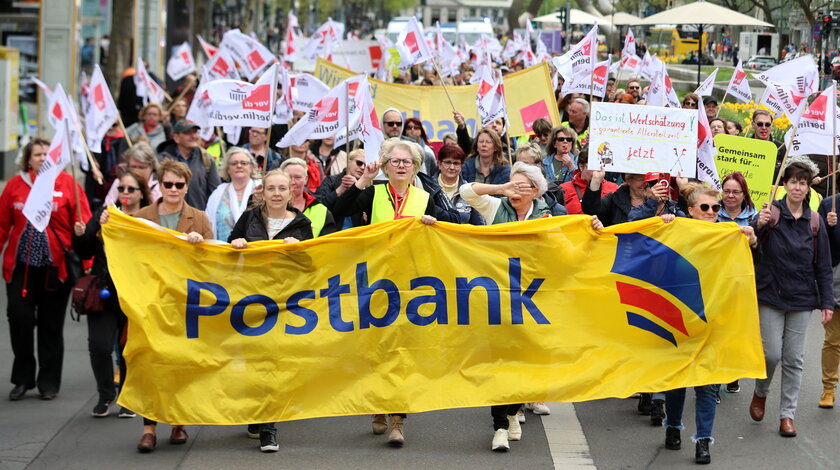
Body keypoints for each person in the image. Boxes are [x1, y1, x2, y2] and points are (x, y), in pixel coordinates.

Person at [459, 162, 603, 451]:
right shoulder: (495, 207)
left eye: (522, 186)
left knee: (523, 364)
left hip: (531, 302)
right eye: (513, 184)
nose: (515, 190)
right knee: (499, 363)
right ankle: (499, 426)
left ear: (536, 192)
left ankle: (513, 412)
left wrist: (593, 236)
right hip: (496, 297)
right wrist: (501, 187)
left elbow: (570, 258)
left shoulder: (548, 216)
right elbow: (466, 192)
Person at [331, 138, 438, 447]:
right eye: (395, 161)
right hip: (376, 283)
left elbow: (446, 232)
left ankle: (397, 419)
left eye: (407, 162)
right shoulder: (374, 193)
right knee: (376, 348)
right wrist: (364, 179)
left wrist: (435, 224)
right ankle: (378, 402)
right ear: (386, 167)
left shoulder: (425, 197)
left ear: (416, 167)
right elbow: (340, 209)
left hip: (411, 286)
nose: (401, 166)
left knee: (402, 352)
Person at [655, 182, 756, 464]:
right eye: (705, 207)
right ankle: (673, 426)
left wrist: (752, 239)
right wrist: (661, 224)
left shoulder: (728, 235)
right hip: (680, 321)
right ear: (691, 210)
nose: (712, 212)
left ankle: (703, 441)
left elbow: (752, 263)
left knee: (707, 385)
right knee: (677, 381)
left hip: (714, 321)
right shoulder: (675, 232)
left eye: (716, 207)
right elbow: (652, 259)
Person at [228, 169, 314, 453]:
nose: (277, 193)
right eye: (271, 188)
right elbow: (228, 249)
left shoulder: (302, 223)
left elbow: (312, 266)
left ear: (291, 192)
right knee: (254, 359)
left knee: (273, 360)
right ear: (262, 192)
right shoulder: (249, 218)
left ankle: (269, 427)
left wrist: (299, 249)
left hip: (283, 301)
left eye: (282, 188)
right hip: (251, 299)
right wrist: (236, 245)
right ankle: (258, 411)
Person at [0, 139, 92, 401]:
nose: (42, 158)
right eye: (37, 154)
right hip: (21, 267)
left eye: (46, 154)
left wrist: (87, 265)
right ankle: (22, 379)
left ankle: (48, 382)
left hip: (56, 269)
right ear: (27, 159)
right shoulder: (15, 187)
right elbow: (2, 224)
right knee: (19, 319)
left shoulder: (67, 184)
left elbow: (84, 226)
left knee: (51, 326)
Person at [132, 159, 213, 453]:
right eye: (168, 184)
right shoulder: (142, 217)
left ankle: (178, 421)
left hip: (185, 303)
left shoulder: (200, 219)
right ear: (159, 185)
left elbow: (213, 264)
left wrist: (198, 247)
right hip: (151, 301)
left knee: (181, 363)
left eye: (179, 185)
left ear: (187, 186)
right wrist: (105, 222)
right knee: (151, 364)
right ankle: (149, 428)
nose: (174, 190)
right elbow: (128, 251)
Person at [750, 160, 834, 438]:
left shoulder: (814, 220)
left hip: (801, 297)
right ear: (784, 184)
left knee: (794, 359)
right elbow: (749, 247)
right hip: (770, 294)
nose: (798, 187)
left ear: (808, 188)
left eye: (803, 182)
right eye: (793, 181)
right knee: (771, 353)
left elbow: (822, 263)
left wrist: (826, 302)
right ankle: (761, 392)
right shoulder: (770, 214)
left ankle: (787, 415)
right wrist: (757, 225)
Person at [72, 169, 152, 418]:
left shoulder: (147, 218)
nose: (125, 193)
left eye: (130, 189)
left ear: (141, 193)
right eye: (121, 188)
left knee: (129, 346)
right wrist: (81, 234)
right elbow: (85, 251)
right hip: (104, 291)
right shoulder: (107, 214)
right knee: (99, 346)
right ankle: (106, 393)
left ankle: (127, 397)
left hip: (135, 292)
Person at [157, 119, 221, 210]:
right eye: (188, 133)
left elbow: (216, 193)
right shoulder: (162, 160)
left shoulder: (206, 159)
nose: (194, 136)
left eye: (195, 132)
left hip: (198, 217)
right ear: (176, 138)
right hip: (169, 217)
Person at [205, 147, 262, 242]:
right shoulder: (218, 192)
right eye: (234, 163)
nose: (239, 166)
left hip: (253, 251)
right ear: (228, 169)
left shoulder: (261, 188)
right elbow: (207, 222)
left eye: (244, 163)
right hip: (222, 251)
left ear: (251, 167)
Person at [819, 185, 840, 408]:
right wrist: (829, 225)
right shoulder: (830, 203)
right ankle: (828, 389)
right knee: (833, 340)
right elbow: (818, 241)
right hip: (837, 280)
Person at [279, 158, 337, 237]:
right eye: (288, 177)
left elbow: (327, 244)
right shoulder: (270, 207)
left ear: (306, 179)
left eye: (298, 177)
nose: (292, 182)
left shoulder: (321, 210)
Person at [315, 149, 367, 229]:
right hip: (332, 233)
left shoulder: (368, 186)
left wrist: (359, 188)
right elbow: (318, 207)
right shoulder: (331, 181)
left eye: (366, 165)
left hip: (357, 234)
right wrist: (339, 190)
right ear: (349, 162)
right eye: (359, 163)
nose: (362, 167)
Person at [435, 144, 484, 224]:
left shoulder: (470, 191)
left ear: (461, 165)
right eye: (448, 162)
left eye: (456, 163)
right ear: (439, 164)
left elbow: (479, 225)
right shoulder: (427, 188)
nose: (452, 167)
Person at [561, 146, 618, 214]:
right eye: (594, 166)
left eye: (602, 165)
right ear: (581, 166)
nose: (598, 170)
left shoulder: (614, 188)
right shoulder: (564, 189)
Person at [86, 122, 129, 210]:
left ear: (119, 125)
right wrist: (92, 167)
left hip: (118, 186)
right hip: (98, 190)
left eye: (114, 125)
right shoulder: (94, 143)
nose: (110, 128)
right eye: (107, 125)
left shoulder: (126, 141)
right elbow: (84, 166)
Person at [103, 142, 162, 206]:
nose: (136, 171)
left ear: (151, 166)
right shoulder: (119, 182)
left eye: (141, 167)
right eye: (133, 167)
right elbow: (107, 206)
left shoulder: (160, 186)